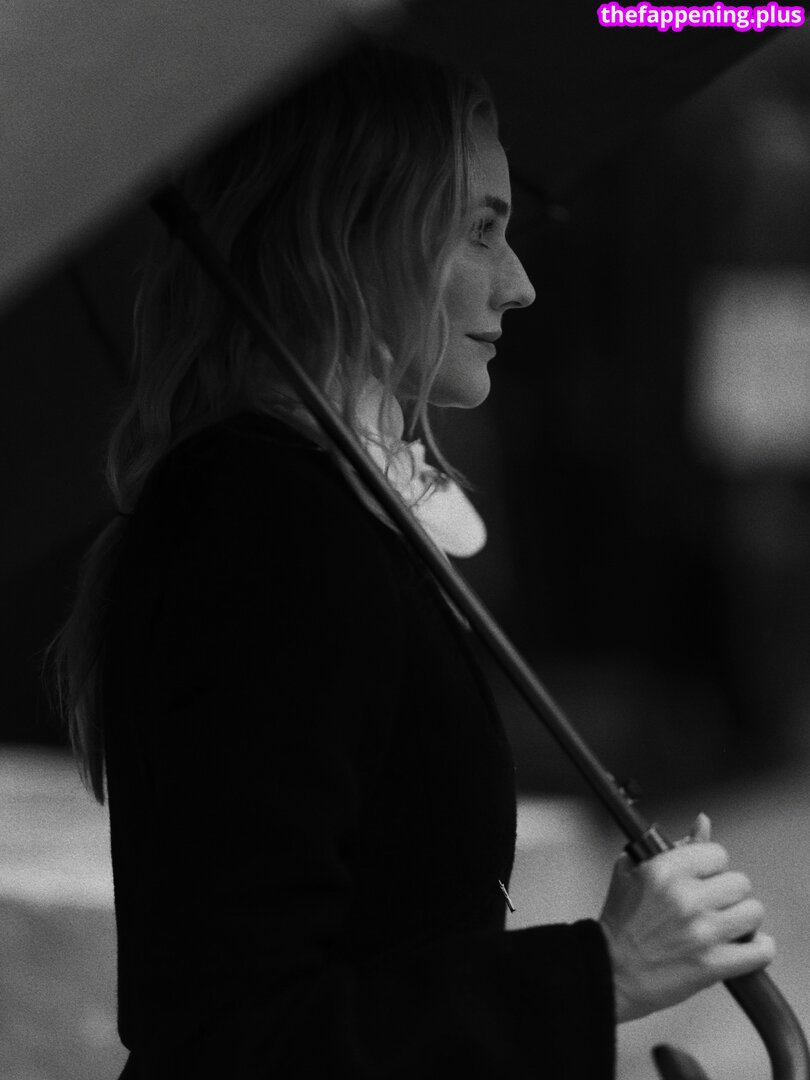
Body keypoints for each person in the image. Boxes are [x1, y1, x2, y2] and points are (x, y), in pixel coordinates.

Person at [49, 44, 774, 1079]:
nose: (520, 284)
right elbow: (234, 1037)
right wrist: (601, 972)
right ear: (353, 232)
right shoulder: (265, 526)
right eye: (480, 228)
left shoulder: (314, 507)